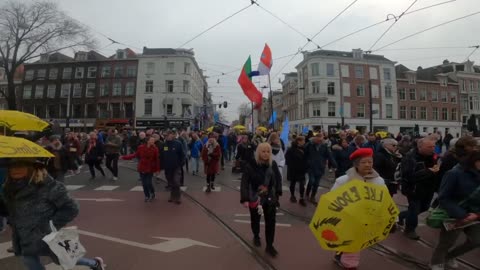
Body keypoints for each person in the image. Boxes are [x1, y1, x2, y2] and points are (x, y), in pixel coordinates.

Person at [0, 158, 106, 270]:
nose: (15, 169)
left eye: (20, 165)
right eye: (12, 166)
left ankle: (94, 263)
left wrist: (50, 224)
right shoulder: (8, 188)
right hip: (23, 234)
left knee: (63, 258)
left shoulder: (49, 186)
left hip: (47, 233)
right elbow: (9, 210)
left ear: (32, 167)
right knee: (29, 260)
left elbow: (72, 208)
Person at [332, 148, 385, 269]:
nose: (368, 165)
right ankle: (349, 262)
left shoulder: (379, 181)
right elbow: (332, 198)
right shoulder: (343, 180)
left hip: (367, 217)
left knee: (357, 239)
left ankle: (341, 255)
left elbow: (385, 200)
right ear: (356, 164)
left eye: (370, 162)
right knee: (349, 238)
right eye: (364, 162)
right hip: (346, 217)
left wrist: (394, 219)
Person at [429, 150, 480, 270]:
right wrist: (462, 215)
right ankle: (436, 262)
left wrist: (477, 215)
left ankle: (449, 256)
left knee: (476, 241)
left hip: (475, 215)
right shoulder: (454, 173)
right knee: (447, 242)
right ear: (474, 161)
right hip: (454, 213)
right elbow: (443, 198)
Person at [240, 143, 282, 257]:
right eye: (263, 151)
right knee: (255, 219)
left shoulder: (272, 164)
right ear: (258, 152)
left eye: (268, 151)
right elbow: (244, 182)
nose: (266, 154)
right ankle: (256, 235)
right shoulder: (251, 165)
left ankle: (269, 245)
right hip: (255, 197)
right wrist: (245, 198)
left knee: (271, 222)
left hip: (269, 197)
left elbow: (278, 179)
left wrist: (277, 192)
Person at [398, 136, 439, 240]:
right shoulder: (410, 158)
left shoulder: (433, 156)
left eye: (433, 146)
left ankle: (401, 215)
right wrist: (429, 171)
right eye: (429, 147)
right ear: (420, 147)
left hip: (428, 188)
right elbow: (408, 176)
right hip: (413, 189)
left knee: (424, 208)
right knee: (414, 208)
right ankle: (410, 230)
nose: (433, 149)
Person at [121, 137, 160, 202]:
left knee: (149, 183)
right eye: (152, 140)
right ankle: (147, 196)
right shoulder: (141, 147)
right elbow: (134, 155)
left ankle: (152, 193)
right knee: (144, 183)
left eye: (153, 140)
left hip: (150, 168)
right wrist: (124, 157)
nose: (153, 142)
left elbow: (157, 160)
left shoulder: (155, 149)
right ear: (147, 141)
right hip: (142, 167)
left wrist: (157, 170)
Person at [304, 133, 337, 205]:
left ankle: (313, 196)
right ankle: (307, 194)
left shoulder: (324, 147)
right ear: (315, 139)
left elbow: (330, 156)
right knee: (311, 181)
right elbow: (305, 154)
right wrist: (307, 163)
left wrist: (335, 165)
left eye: (321, 140)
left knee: (316, 183)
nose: (319, 141)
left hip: (320, 167)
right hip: (311, 167)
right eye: (318, 140)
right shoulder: (309, 145)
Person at [160, 130, 185, 204]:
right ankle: (172, 195)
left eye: (168, 135)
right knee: (171, 182)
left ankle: (177, 197)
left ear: (173, 135)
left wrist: (181, 164)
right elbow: (161, 156)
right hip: (167, 167)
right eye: (166, 135)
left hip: (176, 167)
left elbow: (182, 155)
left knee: (176, 182)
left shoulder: (178, 144)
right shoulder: (164, 145)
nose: (167, 136)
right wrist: (161, 166)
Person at [285, 136, 308, 206]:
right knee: (293, 183)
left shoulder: (304, 149)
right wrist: (292, 166)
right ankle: (292, 195)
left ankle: (301, 198)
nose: (304, 142)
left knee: (302, 184)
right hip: (293, 170)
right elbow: (287, 159)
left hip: (302, 170)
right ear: (299, 141)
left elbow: (306, 159)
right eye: (303, 141)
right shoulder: (291, 149)